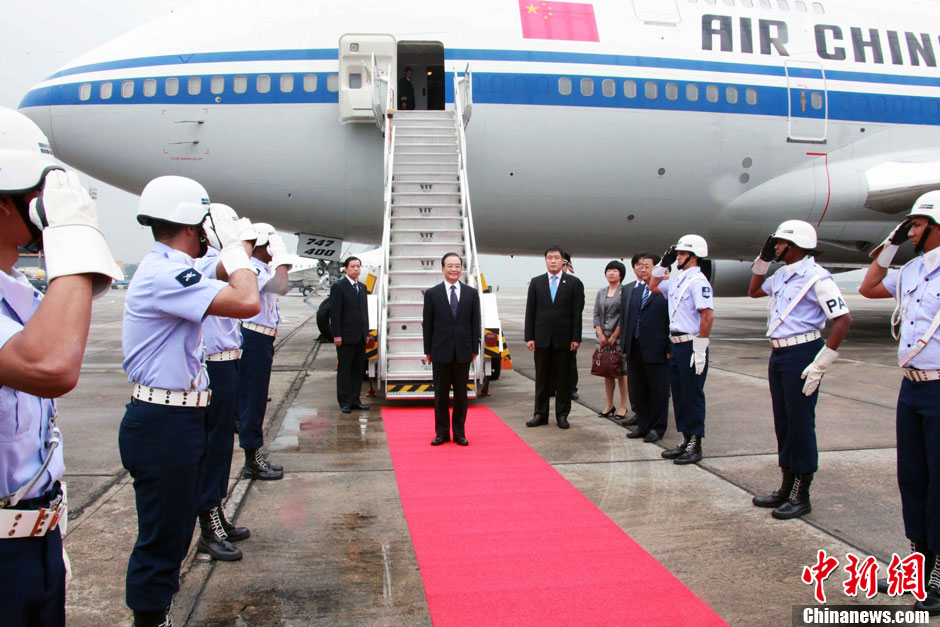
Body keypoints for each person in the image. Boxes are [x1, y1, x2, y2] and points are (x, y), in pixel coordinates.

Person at [0, 107, 122, 627]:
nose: (41, 212)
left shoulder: (19, 296)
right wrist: (71, 233)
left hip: (33, 541)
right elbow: (51, 365)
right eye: (36, 199)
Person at [121, 175, 259, 627]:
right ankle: (151, 618)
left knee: (175, 529)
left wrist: (229, 248)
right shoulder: (166, 274)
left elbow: (221, 275)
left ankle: (157, 611)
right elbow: (247, 299)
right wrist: (233, 249)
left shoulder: (174, 266)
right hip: (163, 421)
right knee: (162, 536)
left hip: (178, 417)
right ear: (191, 227)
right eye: (204, 228)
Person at [859, 193, 940, 616]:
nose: (909, 232)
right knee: (912, 477)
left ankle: (939, 570)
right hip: (910, 387)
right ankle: (920, 560)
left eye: (915, 225)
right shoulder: (909, 271)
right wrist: (889, 248)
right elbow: (869, 287)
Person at [748, 220, 851, 519]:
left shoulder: (818, 278)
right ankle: (786, 485)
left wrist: (822, 362)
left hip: (803, 353)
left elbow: (843, 319)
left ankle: (801, 493)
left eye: (779, 244)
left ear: (794, 246)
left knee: (801, 423)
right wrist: (764, 259)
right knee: (784, 422)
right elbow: (754, 290)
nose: (776, 246)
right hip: (779, 354)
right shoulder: (781, 275)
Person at [191, 204, 257, 562]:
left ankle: (216, 513)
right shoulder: (204, 266)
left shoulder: (226, 264)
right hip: (213, 367)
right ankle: (207, 523)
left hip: (229, 364)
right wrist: (232, 246)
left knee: (221, 450)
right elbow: (244, 288)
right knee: (212, 451)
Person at [649, 234, 714, 464]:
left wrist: (700, 347)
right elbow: (653, 285)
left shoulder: (699, 282)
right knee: (678, 394)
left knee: (692, 394)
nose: (678, 256)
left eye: (682, 253)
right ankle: (685, 440)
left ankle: (695, 444)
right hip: (676, 344)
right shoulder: (677, 281)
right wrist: (662, 264)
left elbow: (707, 315)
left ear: (694, 256)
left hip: (692, 343)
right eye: (677, 253)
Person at [237, 223, 291, 480]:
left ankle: (254, 454)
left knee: (256, 399)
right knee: (252, 400)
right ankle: (252, 460)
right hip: (253, 338)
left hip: (261, 339)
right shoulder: (252, 268)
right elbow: (282, 285)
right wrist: (281, 258)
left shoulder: (260, 268)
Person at [423, 252, 481, 446]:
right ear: (443, 269)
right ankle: (441, 433)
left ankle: (459, 433)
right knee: (440, 395)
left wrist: (475, 348)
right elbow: (428, 324)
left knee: (461, 396)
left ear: (461, 269)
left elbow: (475, 322)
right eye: (450, 265)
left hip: (463, 352)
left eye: (457, 265)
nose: (454, 269)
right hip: (440, 351)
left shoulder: (471, 294)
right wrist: (428, 350)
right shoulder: (432, 294)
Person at [525, 245, 585, 430]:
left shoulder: (574, 283)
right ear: (545, 260)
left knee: (563, 380)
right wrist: (530, 337)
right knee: (542, 379)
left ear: (563, 261)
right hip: (542, 339)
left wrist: (576, 338)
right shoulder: (536, 282)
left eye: (556, 258)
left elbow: (577, 313)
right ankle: (540, 414)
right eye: (549, 258)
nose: (553, 261)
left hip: (564, 340)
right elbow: (531, 311)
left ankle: (562, 415)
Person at [623, 253, 671, 443]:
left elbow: (671, 321)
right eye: (640, 266)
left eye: (648, 266)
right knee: (638, 390)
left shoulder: (665, 291)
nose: (643, 269)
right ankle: (642, 425)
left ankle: (657, 428)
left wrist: (669, 347)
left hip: (657, 349)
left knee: (658, 391)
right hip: (635, 349)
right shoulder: (635, 291)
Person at [330, 256, 370, 414]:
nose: (356, 269)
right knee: (345, 370)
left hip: (360, 336)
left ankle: (355, 399)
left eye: (358, 266)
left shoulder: (362, 287)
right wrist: (337, 334)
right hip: (345, 336)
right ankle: (344, 401)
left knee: (357, 369)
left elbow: (364, 313)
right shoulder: (339, 287)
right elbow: (335, 312)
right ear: (346, 268)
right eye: (352, 266)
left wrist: (366, 333)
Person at [593, 260, 629, 419]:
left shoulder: (625, 292)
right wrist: (600, 333)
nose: (611, 273)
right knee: (607, 371)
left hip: (619, 338)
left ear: (621, 274)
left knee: (621, 372)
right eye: (608, 271)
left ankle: (623, 406)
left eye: (615, 271)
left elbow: (624, 315)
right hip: (603, 339)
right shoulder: (601, 292)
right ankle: (609, 405)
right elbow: (596, 314)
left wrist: (615, 335)